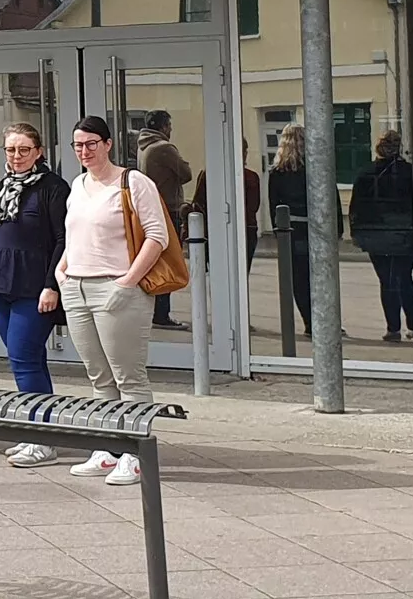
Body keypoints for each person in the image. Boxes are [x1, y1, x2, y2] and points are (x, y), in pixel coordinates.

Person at [57, 115, 167, 486]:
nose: (84, 151)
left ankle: (135, 453)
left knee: (128, 376)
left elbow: (157, 236)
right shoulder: (77, 184)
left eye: (91, 143)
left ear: (107, 144)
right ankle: (108, 448)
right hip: (77, 286)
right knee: (99, 376)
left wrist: (127, 282)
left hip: (117, 287)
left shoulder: (133, 182)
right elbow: (73, 234)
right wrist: (63, 271)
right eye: (78, 145)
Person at [0, 123, 69, 468]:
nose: (17, 157)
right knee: (25, 360)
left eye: (24, 150)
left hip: (35, 287)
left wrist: (52, 285)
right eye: (11, 150)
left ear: (39, 151)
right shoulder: (3, 186)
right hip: (1, 285)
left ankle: (42, 440)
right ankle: (37, 429)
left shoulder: (52, 188)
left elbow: (62, 240)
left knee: (24, 355)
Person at [266, 123, 343, 338]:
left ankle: (309, 322)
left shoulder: (278, 172)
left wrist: (277, 231)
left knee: (299, 279)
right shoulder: (317, 167)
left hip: (291, 228)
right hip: (318, 228)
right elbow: (332, 198)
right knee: (322, 277)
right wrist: (338, 228)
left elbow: (274, 204)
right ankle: (327, 321)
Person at [350, 130, 413, 342]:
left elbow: (356, 207)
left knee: (387, 280)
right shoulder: (410, 172)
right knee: (405, 278)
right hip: (405, 233)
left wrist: (356, 233)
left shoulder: (366, 173)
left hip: (376, 234)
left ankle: (393, 328)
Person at [137, 109, 190, 330]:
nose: (171, 130)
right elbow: (186, 173)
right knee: (167, 263)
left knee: (153, 261)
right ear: (162, 126)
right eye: (169, 125)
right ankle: (161, 314)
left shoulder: (143, 146)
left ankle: (154, 311)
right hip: (168, 210)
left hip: (151, 209)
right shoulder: (164, 148)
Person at [189, 139, 261, 273]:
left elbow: (198, 203)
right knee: (241, 273)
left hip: (216, 229)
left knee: (218, 272)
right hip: (246, 228)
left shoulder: (208, 174)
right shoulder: (251, 177)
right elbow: (253, 206)